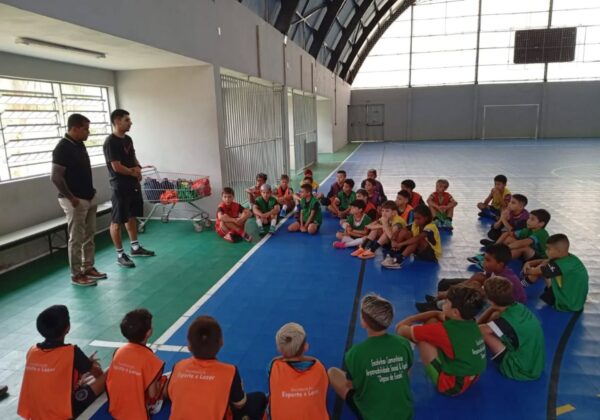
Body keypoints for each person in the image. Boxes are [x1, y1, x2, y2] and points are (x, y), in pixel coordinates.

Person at [328, 294, 413, 420]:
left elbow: (351, 385)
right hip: (404, 414)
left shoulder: (355, 353)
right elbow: (407, 372)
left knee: (332, 373)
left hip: (372, 416)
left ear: (363, 322)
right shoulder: (403, 343)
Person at [167, 316, 267, 419]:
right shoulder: (230, 372)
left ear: (189, 347)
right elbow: (240, 403)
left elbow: (170, 394)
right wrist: (239, 388)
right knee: (259, 398)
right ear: (221, 342)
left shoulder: (178, 366)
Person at [396, 284, 486, 396]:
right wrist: (418, 318)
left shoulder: (443, 330)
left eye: (447, 302)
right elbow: (438, 314)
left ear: (455, 312)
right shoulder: (470, 321)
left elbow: (400, 330)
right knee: (433, 323)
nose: (443, 303)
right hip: (472, 377)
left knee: (424, 340)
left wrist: (410, 319)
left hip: (453, 386)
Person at [18, 305, 106, 419]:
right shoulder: (72, 352)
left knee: (84, 377)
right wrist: (92, 365)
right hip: (62, 413)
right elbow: (98, 374)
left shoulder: (32, 351)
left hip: (36, 413)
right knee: (106, 375)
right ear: (67, 328)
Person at [52, 113, 106, 286]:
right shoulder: (62, 148)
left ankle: (88, 267)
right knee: (76, 238)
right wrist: (71, 198)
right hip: (74, 201)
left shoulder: (79, 145)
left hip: (89, 197)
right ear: (74, 129)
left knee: (89, 235)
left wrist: (91, 193)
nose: (88, 132)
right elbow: (56, 177)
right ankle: (76, 275)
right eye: (85, 129)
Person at [103, 109, 155, 269]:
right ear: (117, 121)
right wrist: (133, 172)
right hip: (120, 186)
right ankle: (120, 255)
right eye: (127, 120)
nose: (130, 123)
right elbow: (116, 167)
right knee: (117, 221)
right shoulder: (110, 142)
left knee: (132, 216)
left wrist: (138, 168)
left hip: (132, 185)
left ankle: (135, 247)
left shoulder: (128, 139)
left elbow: (133, 157)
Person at [416, 244, 526, 312]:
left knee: (471, 291)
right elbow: (478, 280)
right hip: (492, 297)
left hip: (505, 308)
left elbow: (496, 299)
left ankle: (439, 305)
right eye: (484, 259)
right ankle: (442, 299)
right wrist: (472, 281)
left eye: (488, 260)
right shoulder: (494, 271)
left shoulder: (505, 279)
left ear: (500, 264)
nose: (484, 262)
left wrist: (475, 288)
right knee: (445, 283)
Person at [478, 277, 545, 381]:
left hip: (522, 369)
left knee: (483, 333)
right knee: (495, 315)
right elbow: (495, 311)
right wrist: (493, 307)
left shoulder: (505, 321)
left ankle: (508, 364)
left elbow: (479, 329)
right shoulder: (518, 306)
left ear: (490, 300)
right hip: (535, 362)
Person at [107, 309, 166, 419]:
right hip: (138, 415)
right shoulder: (150, 359)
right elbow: (152, 394)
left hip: (115, 410)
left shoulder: (118, 351)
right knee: (165, 381)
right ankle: (152, 407)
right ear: (149, 332)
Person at [266, 323, 329, 420]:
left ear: (279, 349)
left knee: (266, 397)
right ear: (306, 347)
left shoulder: (274, 366)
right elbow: (314, 360)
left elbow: (276, 359)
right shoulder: (319, 368)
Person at [522, 234, 589, 312]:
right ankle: (522, 284)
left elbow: (536, 271)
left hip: (567, 303)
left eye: (548, 249)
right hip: (577, 300)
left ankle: (520, 286)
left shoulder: (560, 265)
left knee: (542, 271)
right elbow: (545, 261)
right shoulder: (570, 258)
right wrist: (529, 263)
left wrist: (527, 269)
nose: (546, 251)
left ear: (559, 251)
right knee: (545, 267)